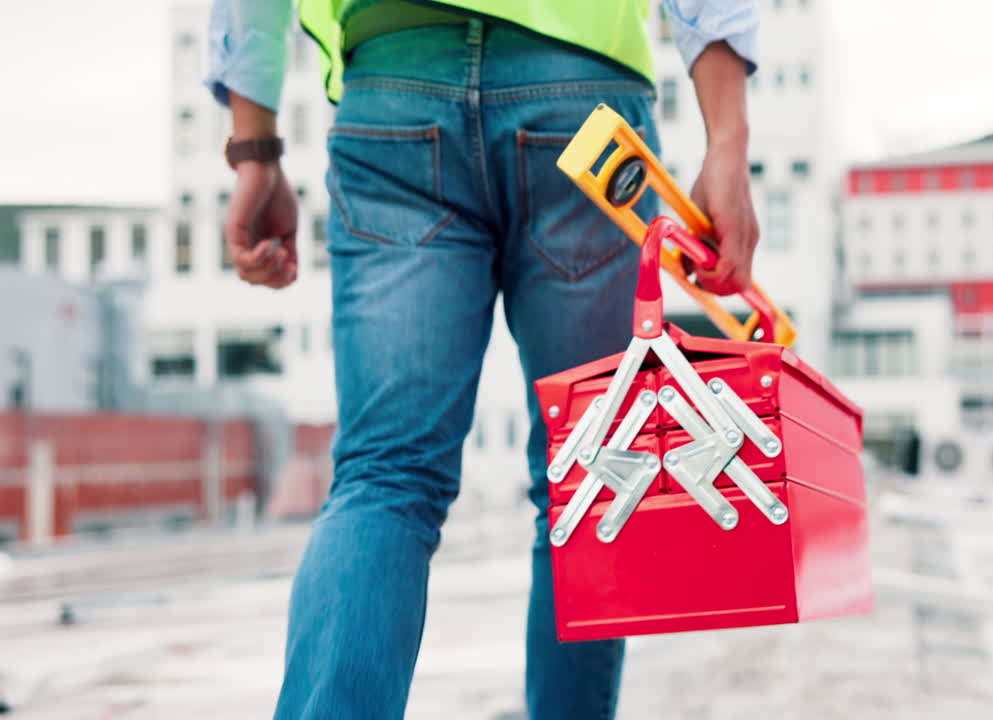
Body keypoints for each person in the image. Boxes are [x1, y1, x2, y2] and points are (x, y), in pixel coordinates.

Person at [206, 1, 761, 717]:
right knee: (591, 478)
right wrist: (727, 141)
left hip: (395, 92)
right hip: (580, 98)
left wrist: (254, 150)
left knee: (384, 478)